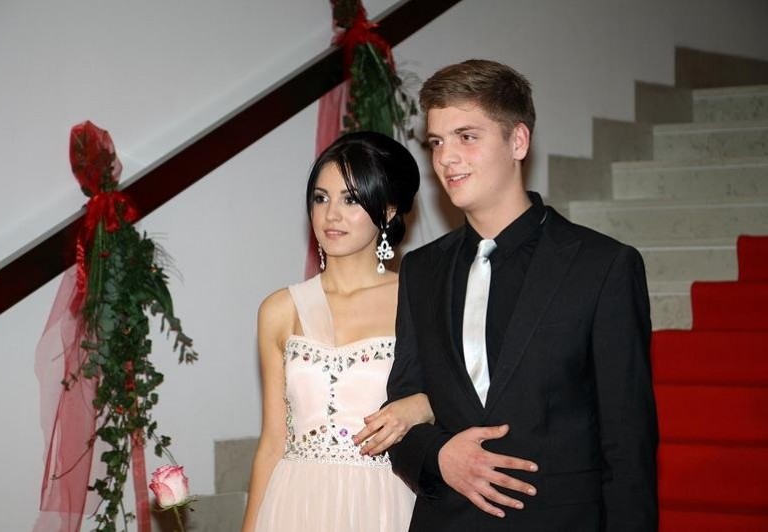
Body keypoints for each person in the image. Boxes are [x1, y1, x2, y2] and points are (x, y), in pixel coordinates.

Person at [386, 59, 658, 531]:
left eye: (466, 137)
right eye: (437, 142)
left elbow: (628, 444)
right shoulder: (421, 270)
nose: (446, 158)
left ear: (518, 141)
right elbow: (403, 406)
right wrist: (439, 455)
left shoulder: (603, 266)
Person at [242, 131, 431, 532]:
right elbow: (273, 441)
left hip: (384, 502)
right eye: (321, 198)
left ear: (389, 209)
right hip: (295, 503)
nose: (331, 215)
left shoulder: (418, 298)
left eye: (350, 199)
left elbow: (465, 400)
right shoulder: (279, 309)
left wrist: (422, 406)